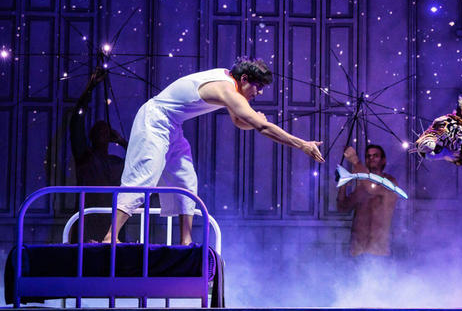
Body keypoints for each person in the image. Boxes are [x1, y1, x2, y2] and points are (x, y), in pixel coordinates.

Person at [103, 57, 324, 245]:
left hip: (172, 126)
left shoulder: (231, 85)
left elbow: (239, 121)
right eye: (257, 85)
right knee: (145, 176)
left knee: (186, 180)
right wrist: (302, 144)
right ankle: (110, 236)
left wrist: (256, 120)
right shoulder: (226, 89)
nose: (259, 92)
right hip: (155, 119)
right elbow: (261, 127)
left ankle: (185, 243)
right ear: (244, 79)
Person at [70, 67, 128, 241]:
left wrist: (122, 142)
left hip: (111, 224)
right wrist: (90, 88)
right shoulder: (85, 157)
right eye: (98, 131)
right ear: (91, 136)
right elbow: (76, 124)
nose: (102, 134)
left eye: (105, 131)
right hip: (87, 223)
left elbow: (138, 164)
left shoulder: (116, 163)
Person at [336, 145, 399, 257]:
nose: (371, 158)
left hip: (379, 249)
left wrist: (355, 161)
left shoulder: (390, 182)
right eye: (368, 156)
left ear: (383, 160)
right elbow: (342, 208)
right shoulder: (362, 186)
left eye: (375, 156)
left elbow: (372, 188)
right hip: (358, 249)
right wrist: (343, 183)